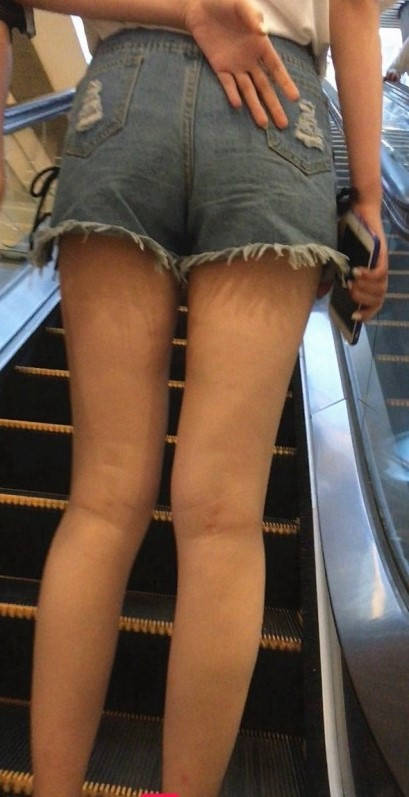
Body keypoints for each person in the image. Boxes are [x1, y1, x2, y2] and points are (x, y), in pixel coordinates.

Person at [1, 1, 388, 795]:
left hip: (122, 103)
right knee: (222, 517)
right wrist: (368, 206)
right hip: (277, 109)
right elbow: (351, 10)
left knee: (101, 502)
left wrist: (185, 12)